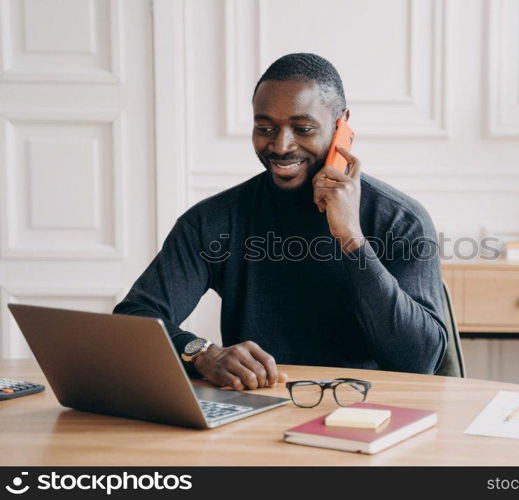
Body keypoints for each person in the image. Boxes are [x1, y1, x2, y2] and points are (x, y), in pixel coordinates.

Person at [114, 53, 447, 390]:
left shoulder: (400, 220)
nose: (280, 145)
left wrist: (351, 239)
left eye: (303, 129)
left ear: (341, 124)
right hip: (256, 408)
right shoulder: (213, 221)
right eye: (265, 128)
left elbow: (419, 361)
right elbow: (133, 320)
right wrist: (202, 353)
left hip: (363, 409)